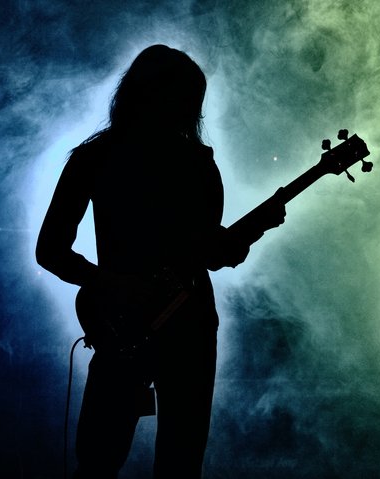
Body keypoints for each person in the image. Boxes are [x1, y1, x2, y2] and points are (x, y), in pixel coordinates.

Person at [36, 44, 285, 478]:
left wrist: (252, 230)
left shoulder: (113, 157)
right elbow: (50, 249)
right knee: (149, 461)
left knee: (111, 460)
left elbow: (210, 253)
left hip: (156, 324)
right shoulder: (111, 158)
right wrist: (114, 284)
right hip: (153, 325)